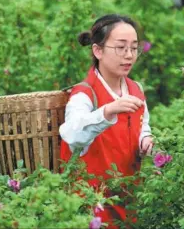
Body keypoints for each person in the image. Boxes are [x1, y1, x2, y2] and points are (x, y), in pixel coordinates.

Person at [59, 14, 154, 228]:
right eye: (120, 48)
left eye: (134, 48)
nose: (129, 55)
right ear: (98, 50)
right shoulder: (84, 94)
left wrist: (145, 140)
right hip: (92, 205)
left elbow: (142, 124)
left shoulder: (135, 89)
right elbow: (72, 135)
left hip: (129, 200)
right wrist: (107, 111)